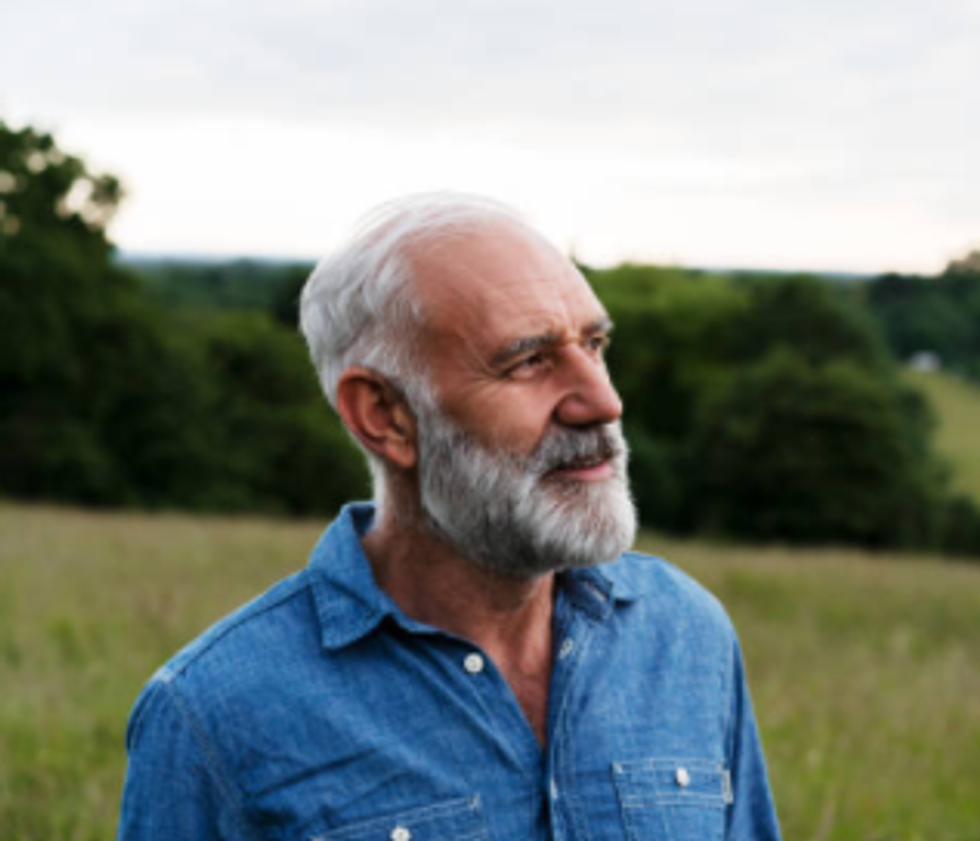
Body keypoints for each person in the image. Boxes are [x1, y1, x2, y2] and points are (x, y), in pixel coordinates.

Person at [116, 193, 782, 840]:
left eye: (596, 344)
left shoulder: (685, 635)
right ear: (385, 415)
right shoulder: (212, 713)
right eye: (528, 361)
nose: (603, 401)